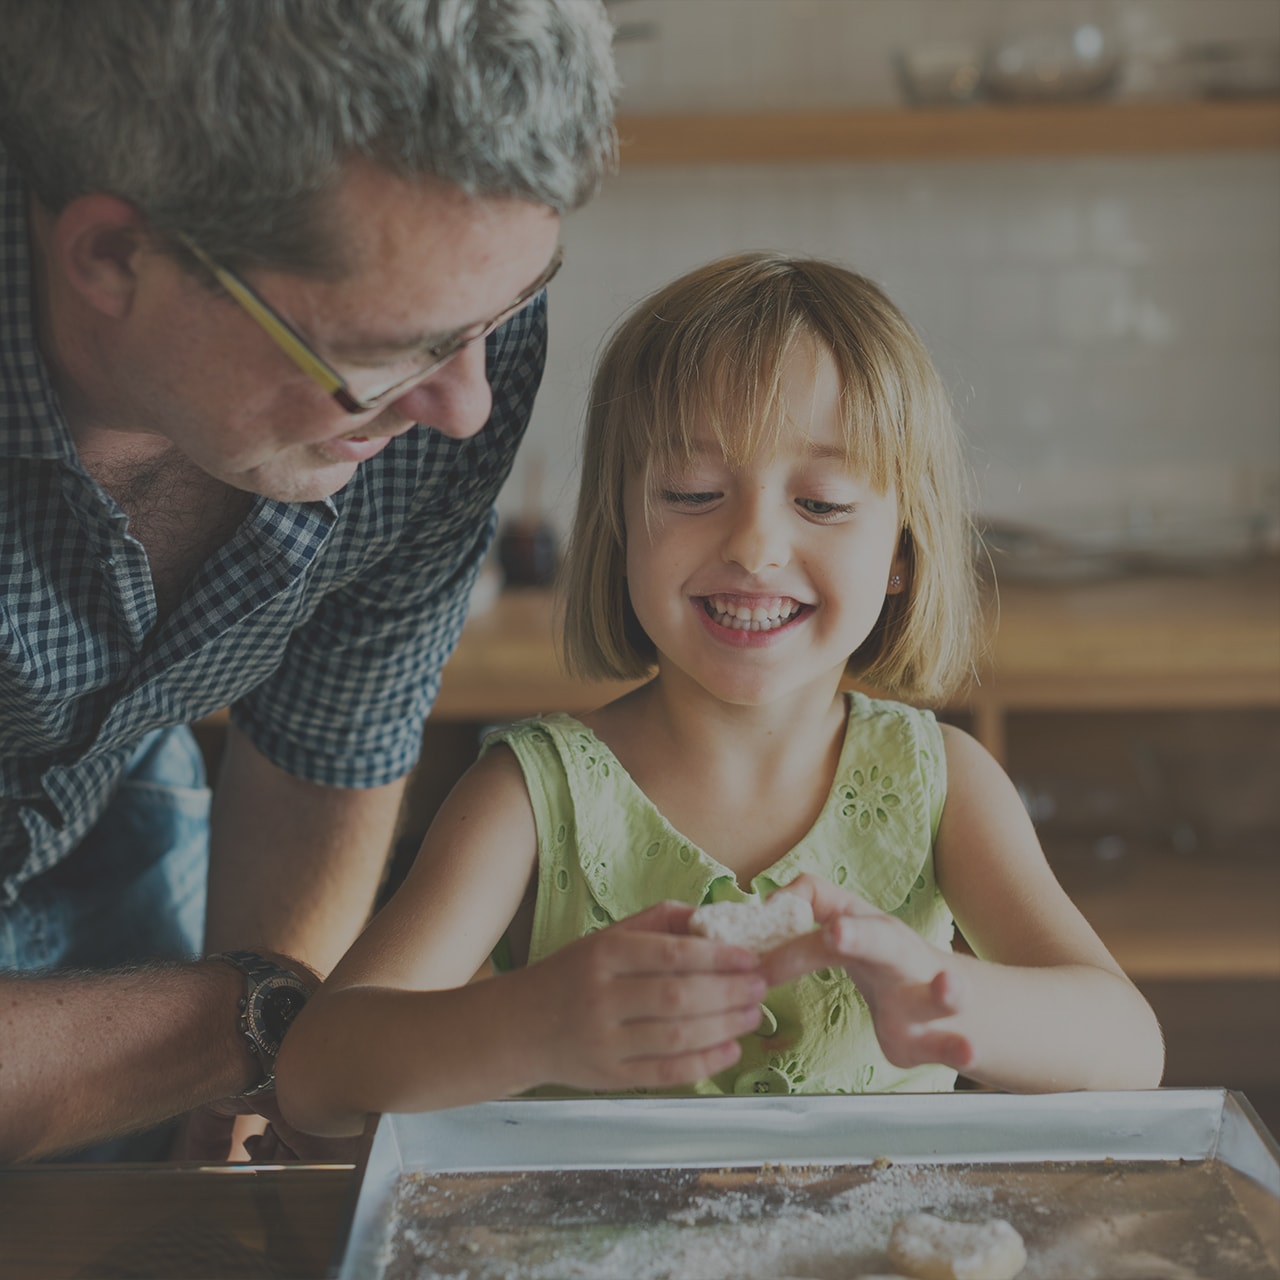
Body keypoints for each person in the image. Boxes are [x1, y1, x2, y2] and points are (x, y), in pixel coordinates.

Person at [276, 254, 1165, 1138]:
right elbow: (319, 1073)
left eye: (821, 502)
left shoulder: (945, 784)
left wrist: (948, 999)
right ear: (620, 525)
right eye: (693, 491)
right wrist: (532, 1026)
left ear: (902, 551)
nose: (754, 545)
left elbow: (1129, 1047)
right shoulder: (531, 795)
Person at [0, 0, 617, 1163]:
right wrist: (259, 1017)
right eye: (384, 353)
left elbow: (329, 746)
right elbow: (268, 1016)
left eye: (505, 311)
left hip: (104, 816)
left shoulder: (451, 353)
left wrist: (235, 1117)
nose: (468, 402)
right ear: (111, 258)